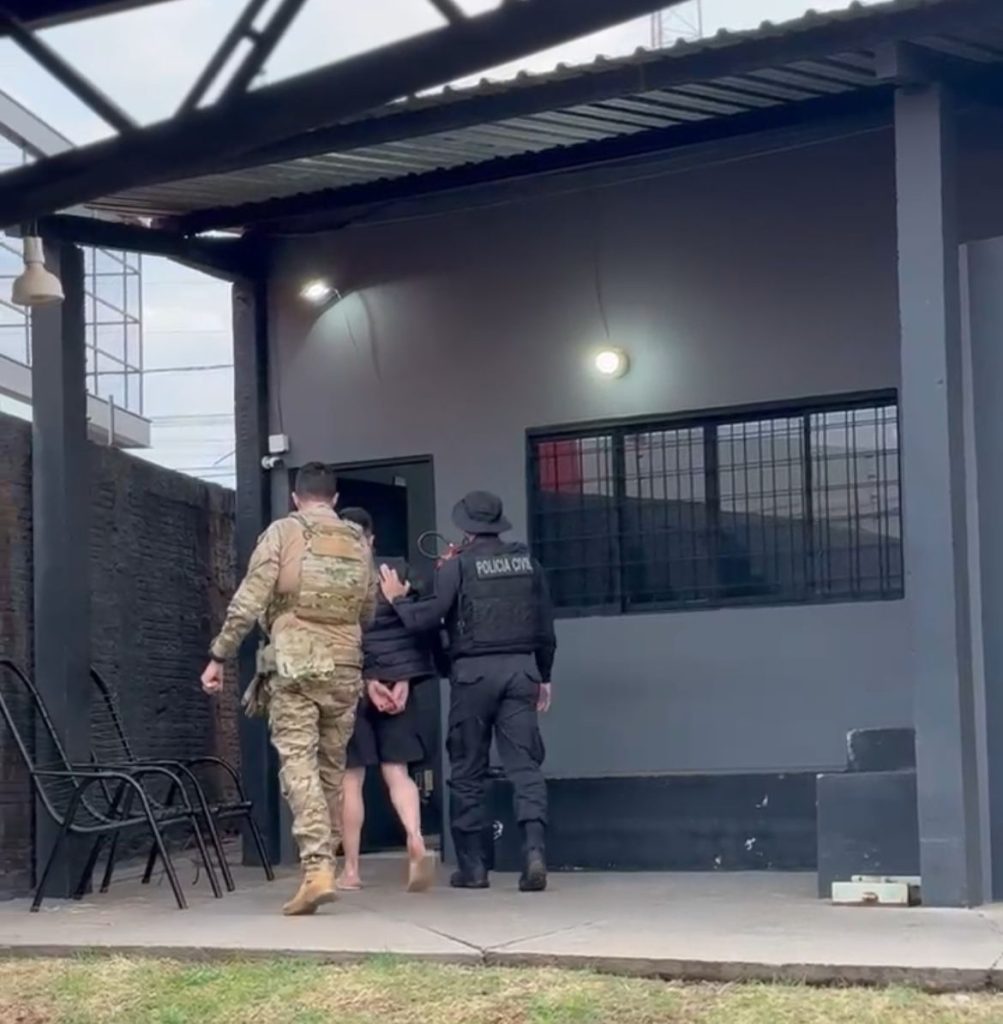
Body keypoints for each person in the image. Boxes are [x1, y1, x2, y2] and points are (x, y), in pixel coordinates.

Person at [200, 462, 376, 916]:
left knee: (298, 762)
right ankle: (327, 859)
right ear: (334, 499)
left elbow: (249, 600)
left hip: (297, 663)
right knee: (332, 768)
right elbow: (368, 609)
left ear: (296, 498)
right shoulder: (358, 541)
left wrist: (219, 655)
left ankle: (317, 867)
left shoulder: (283, 532)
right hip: (346, 665)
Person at [379, 490, 556, 893]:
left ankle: (473, 869)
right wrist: (543, 676)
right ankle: (534, 854)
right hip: (521, 672)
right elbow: (546, 628)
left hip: (473, 676)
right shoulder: (528, 563)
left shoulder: (456, 565)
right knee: (526, 769)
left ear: (465, 526)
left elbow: (428, 618)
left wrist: (398, 601)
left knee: (467, 771)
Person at [337, 506, 442, 894]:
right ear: (372, 538)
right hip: (398, 686)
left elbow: (340, 639)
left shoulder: (333, 580)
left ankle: (351, 870)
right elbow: (420, 627)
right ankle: (414, 837)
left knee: (351, 779)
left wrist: (367, 681)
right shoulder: (398, 571)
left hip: (354, 687)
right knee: (397, 772)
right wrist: (404, 680)